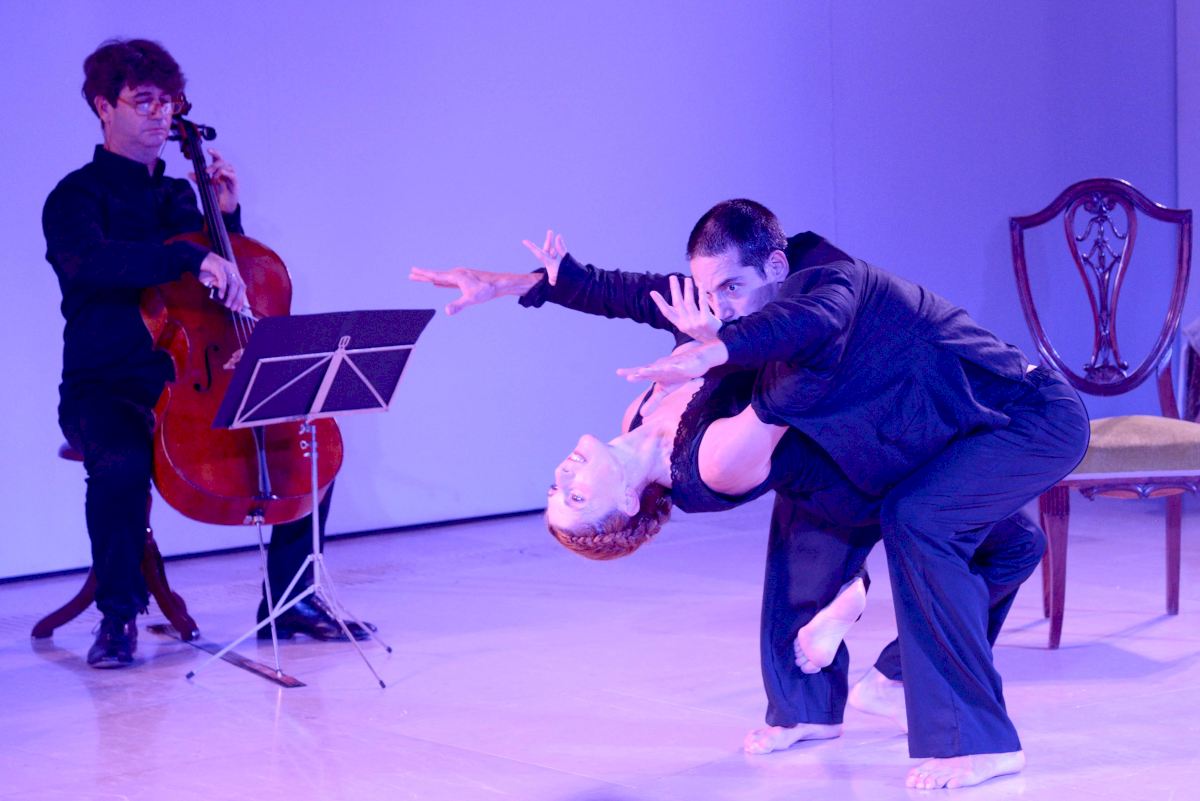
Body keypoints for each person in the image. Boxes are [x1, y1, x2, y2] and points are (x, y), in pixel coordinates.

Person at [411, 213, 1044, 757]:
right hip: (858, 470)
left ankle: (835, 696)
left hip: (833, 455)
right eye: (576, 497)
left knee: (1012, 547)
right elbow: (787, 390)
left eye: (555, 491)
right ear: (626, 503)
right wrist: (714, 340)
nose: (561, 476)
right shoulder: (706, 468)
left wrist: (513, 284)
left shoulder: (635, 419)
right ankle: (856, 617)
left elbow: (648, 297)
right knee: (988, 548)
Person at [615, 201, 1090, 789]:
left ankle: (980, 740)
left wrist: (719, 347)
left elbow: (809, 320)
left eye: (731, 287)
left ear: (776, 266)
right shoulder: (751, 309)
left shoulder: (829, 282)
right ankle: (828, 702)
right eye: (712, 293)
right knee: (1007, 545)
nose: (721, 306)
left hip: (1029, 416)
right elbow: (647, 294)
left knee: (920, 520)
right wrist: (549, 282)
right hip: (951, 440)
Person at [43, 39, 362, 668]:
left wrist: (227, 221)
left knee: (305, 438)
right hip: (106, 384)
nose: (160, 114)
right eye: (144, 101)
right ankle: (118, 614)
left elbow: (226, 287)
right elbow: (95, 264)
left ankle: (291, 600)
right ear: (104, 107)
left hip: (191, 376)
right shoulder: (75, 198)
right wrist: (190, 254)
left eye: (168, 102)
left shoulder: (177, 198)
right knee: (120, 464)